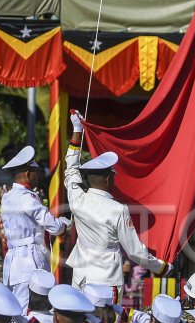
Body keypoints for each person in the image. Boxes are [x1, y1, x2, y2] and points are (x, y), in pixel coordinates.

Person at [66, 114, 168, 295]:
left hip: (80, 276)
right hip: (105, 280)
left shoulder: (77, 199)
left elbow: (71, 169)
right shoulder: (118, 210)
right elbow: (134, 251)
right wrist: (161, 267)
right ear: (107, 179)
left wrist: (77, 130)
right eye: (113, 176)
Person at [1, 145, 70, 305]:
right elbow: (52, 224)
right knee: (31, 309)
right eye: (35, 172)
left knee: (16, 309)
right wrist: (65, 226)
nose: (37, 176)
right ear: (27, 173)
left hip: (13, 263)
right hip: (29, 260)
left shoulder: (8, 196)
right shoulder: (27, 197)